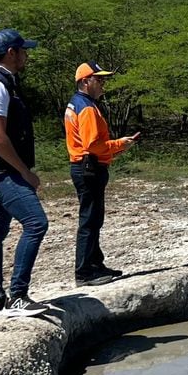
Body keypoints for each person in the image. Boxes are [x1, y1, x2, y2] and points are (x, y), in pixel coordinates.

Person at [0, 28, 51, 318]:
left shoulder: (2, 79)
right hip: (1, 171)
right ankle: (18, 296)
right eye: (23, 50)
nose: (26, 55)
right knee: (36, 223)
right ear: (11, 53)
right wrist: (25, 173)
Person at [64, 61, 139, 286]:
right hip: (89, 168)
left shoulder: (79, 103)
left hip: (87, 166)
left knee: (94, 218)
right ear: (86, 81)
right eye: (99, 79)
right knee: (90, 219)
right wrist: (119, 145)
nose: (103, 83)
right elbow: (93, 144)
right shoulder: (86, 107)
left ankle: (96, 264)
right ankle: (85, 272)